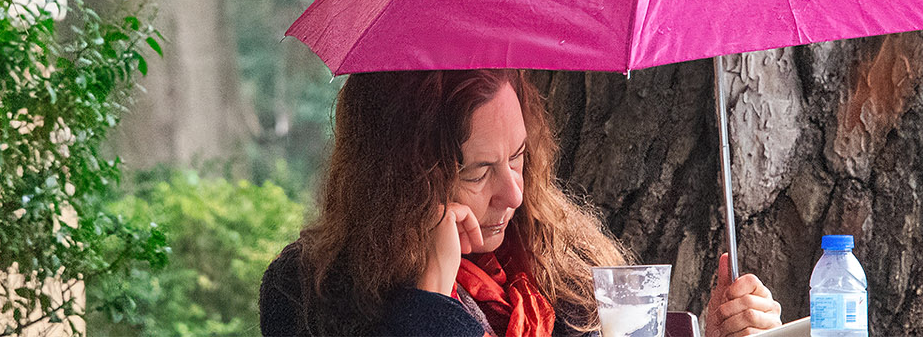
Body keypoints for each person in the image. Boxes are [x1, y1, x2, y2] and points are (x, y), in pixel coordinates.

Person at [260, 69, 783, 337]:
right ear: (400, 181)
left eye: (517, 156)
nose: (512, 192)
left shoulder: (562, 265)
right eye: (478, 171)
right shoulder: (308, 294)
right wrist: (430, 300)